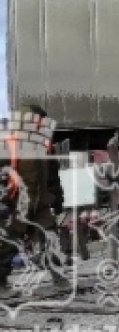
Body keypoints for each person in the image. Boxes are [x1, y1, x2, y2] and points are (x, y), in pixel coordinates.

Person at [0, 105, 64, 288]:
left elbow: (53, 177)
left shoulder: (45, 146)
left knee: (51, 238)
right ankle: (1, 282)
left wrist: (58, 199)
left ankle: (59, 277)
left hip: (40, 204)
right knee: (6, 244)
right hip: (14, 203)